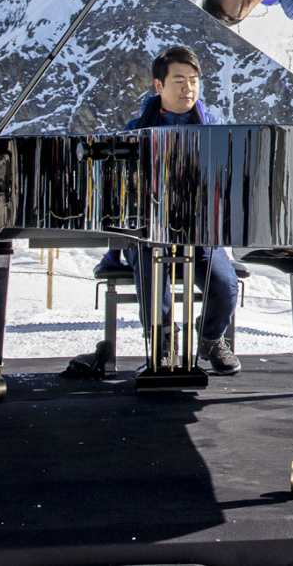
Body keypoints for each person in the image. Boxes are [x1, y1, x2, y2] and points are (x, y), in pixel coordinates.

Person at [78, 45, 243, 377]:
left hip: (199, 235)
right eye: (179, 80)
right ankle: (163, 345)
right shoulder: (135, 130)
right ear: (158, 86)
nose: (189, 88)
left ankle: (210, 338)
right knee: (153, 275)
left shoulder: (214, 129)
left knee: (226, 286)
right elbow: (116, 190)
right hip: (148, 231)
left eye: (194, 81)